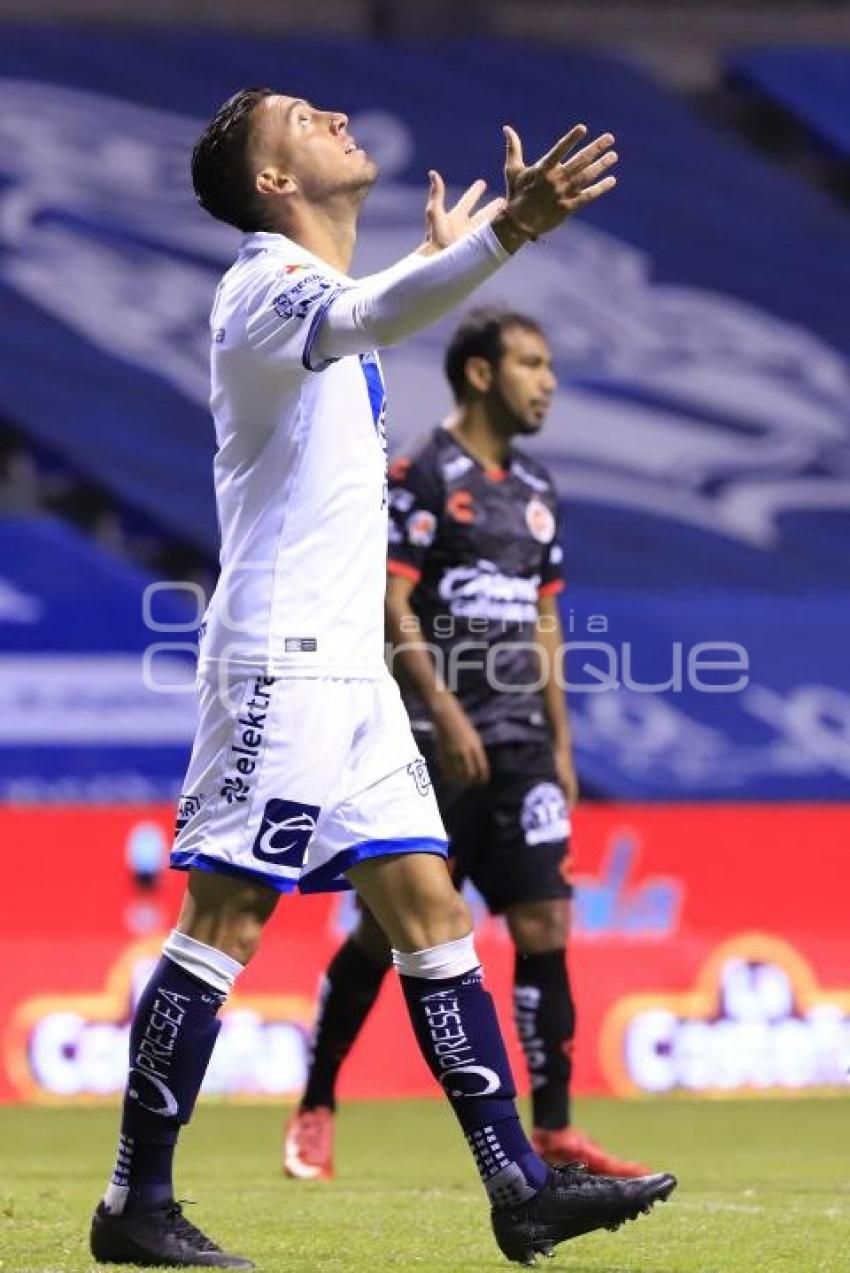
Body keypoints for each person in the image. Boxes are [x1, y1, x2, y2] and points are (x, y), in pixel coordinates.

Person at [89, 87, 675, 1270]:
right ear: (270, 183)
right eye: (304, 119)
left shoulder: (333, 311)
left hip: (352, 677)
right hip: (281, 662)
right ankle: (133, 1203)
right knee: (226, 917)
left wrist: (433, 262)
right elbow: (358, 312)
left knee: (429, 909)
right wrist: (502, 240)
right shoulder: (262, 283)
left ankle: (518, 1186)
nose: (338, 116)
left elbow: (368, 313)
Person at [283, 307, 651, 1184]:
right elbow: (389, 601)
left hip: (522, 746)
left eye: (548, 362)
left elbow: (546, 621)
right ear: (481, 373)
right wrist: (443, 711)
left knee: (545, 921)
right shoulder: (419, 473)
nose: (547, 380)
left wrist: (563, 744)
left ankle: (557, 1129)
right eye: (530, 362)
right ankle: (317, 1103)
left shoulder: (537, 490)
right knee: (384, 928)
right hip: (428, 741)